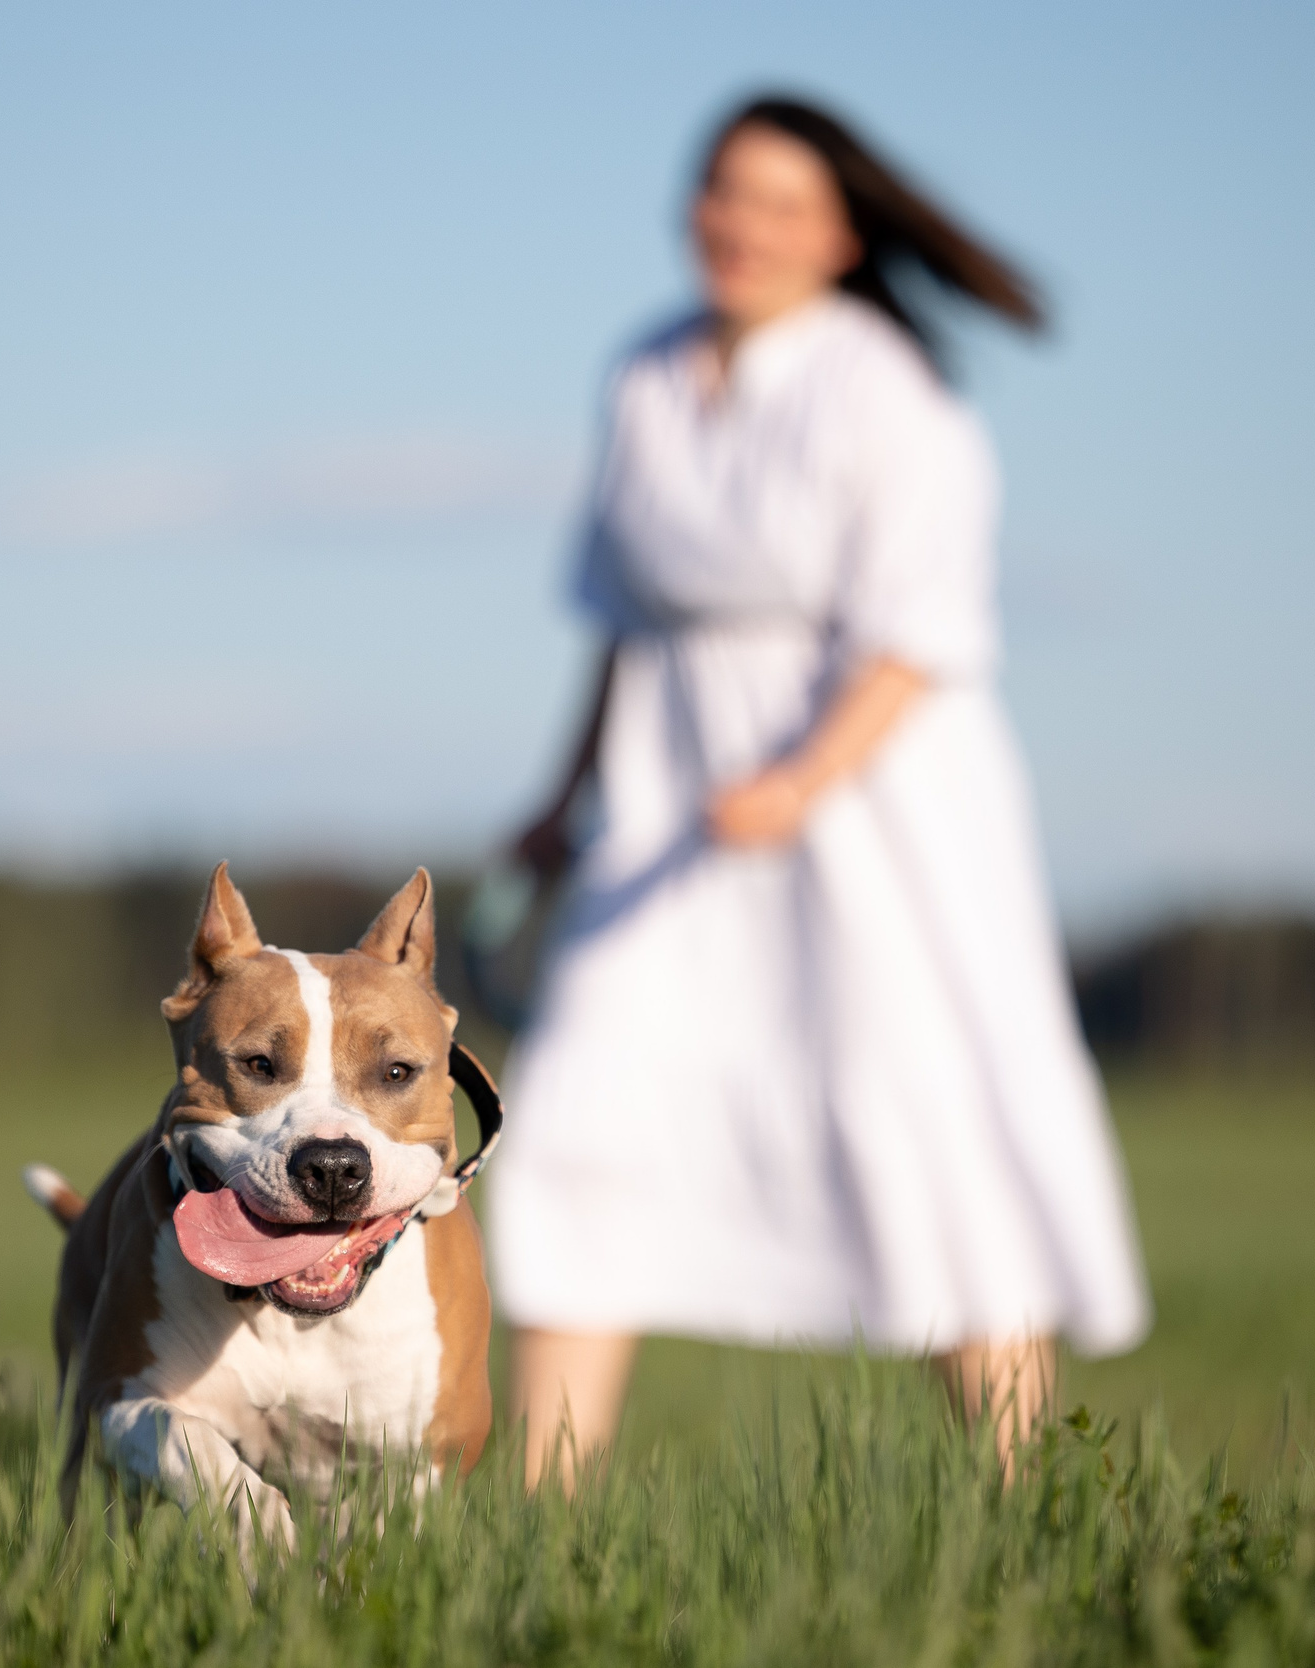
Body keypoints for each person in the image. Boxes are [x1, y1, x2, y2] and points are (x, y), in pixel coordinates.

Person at [487, 95, 1151, 1487]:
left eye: (781, 205)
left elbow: (922, 636)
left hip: (875, 816)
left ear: (842, 236)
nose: (742, 226)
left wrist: (799, 781)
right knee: (588, 1111)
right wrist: (562, 799)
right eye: (724, 193)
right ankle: (538, 1521)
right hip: (668, 808)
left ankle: (1029, 1504)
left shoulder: (888, 394)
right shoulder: (643, 377)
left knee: (914, 1129)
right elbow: (622, 621)